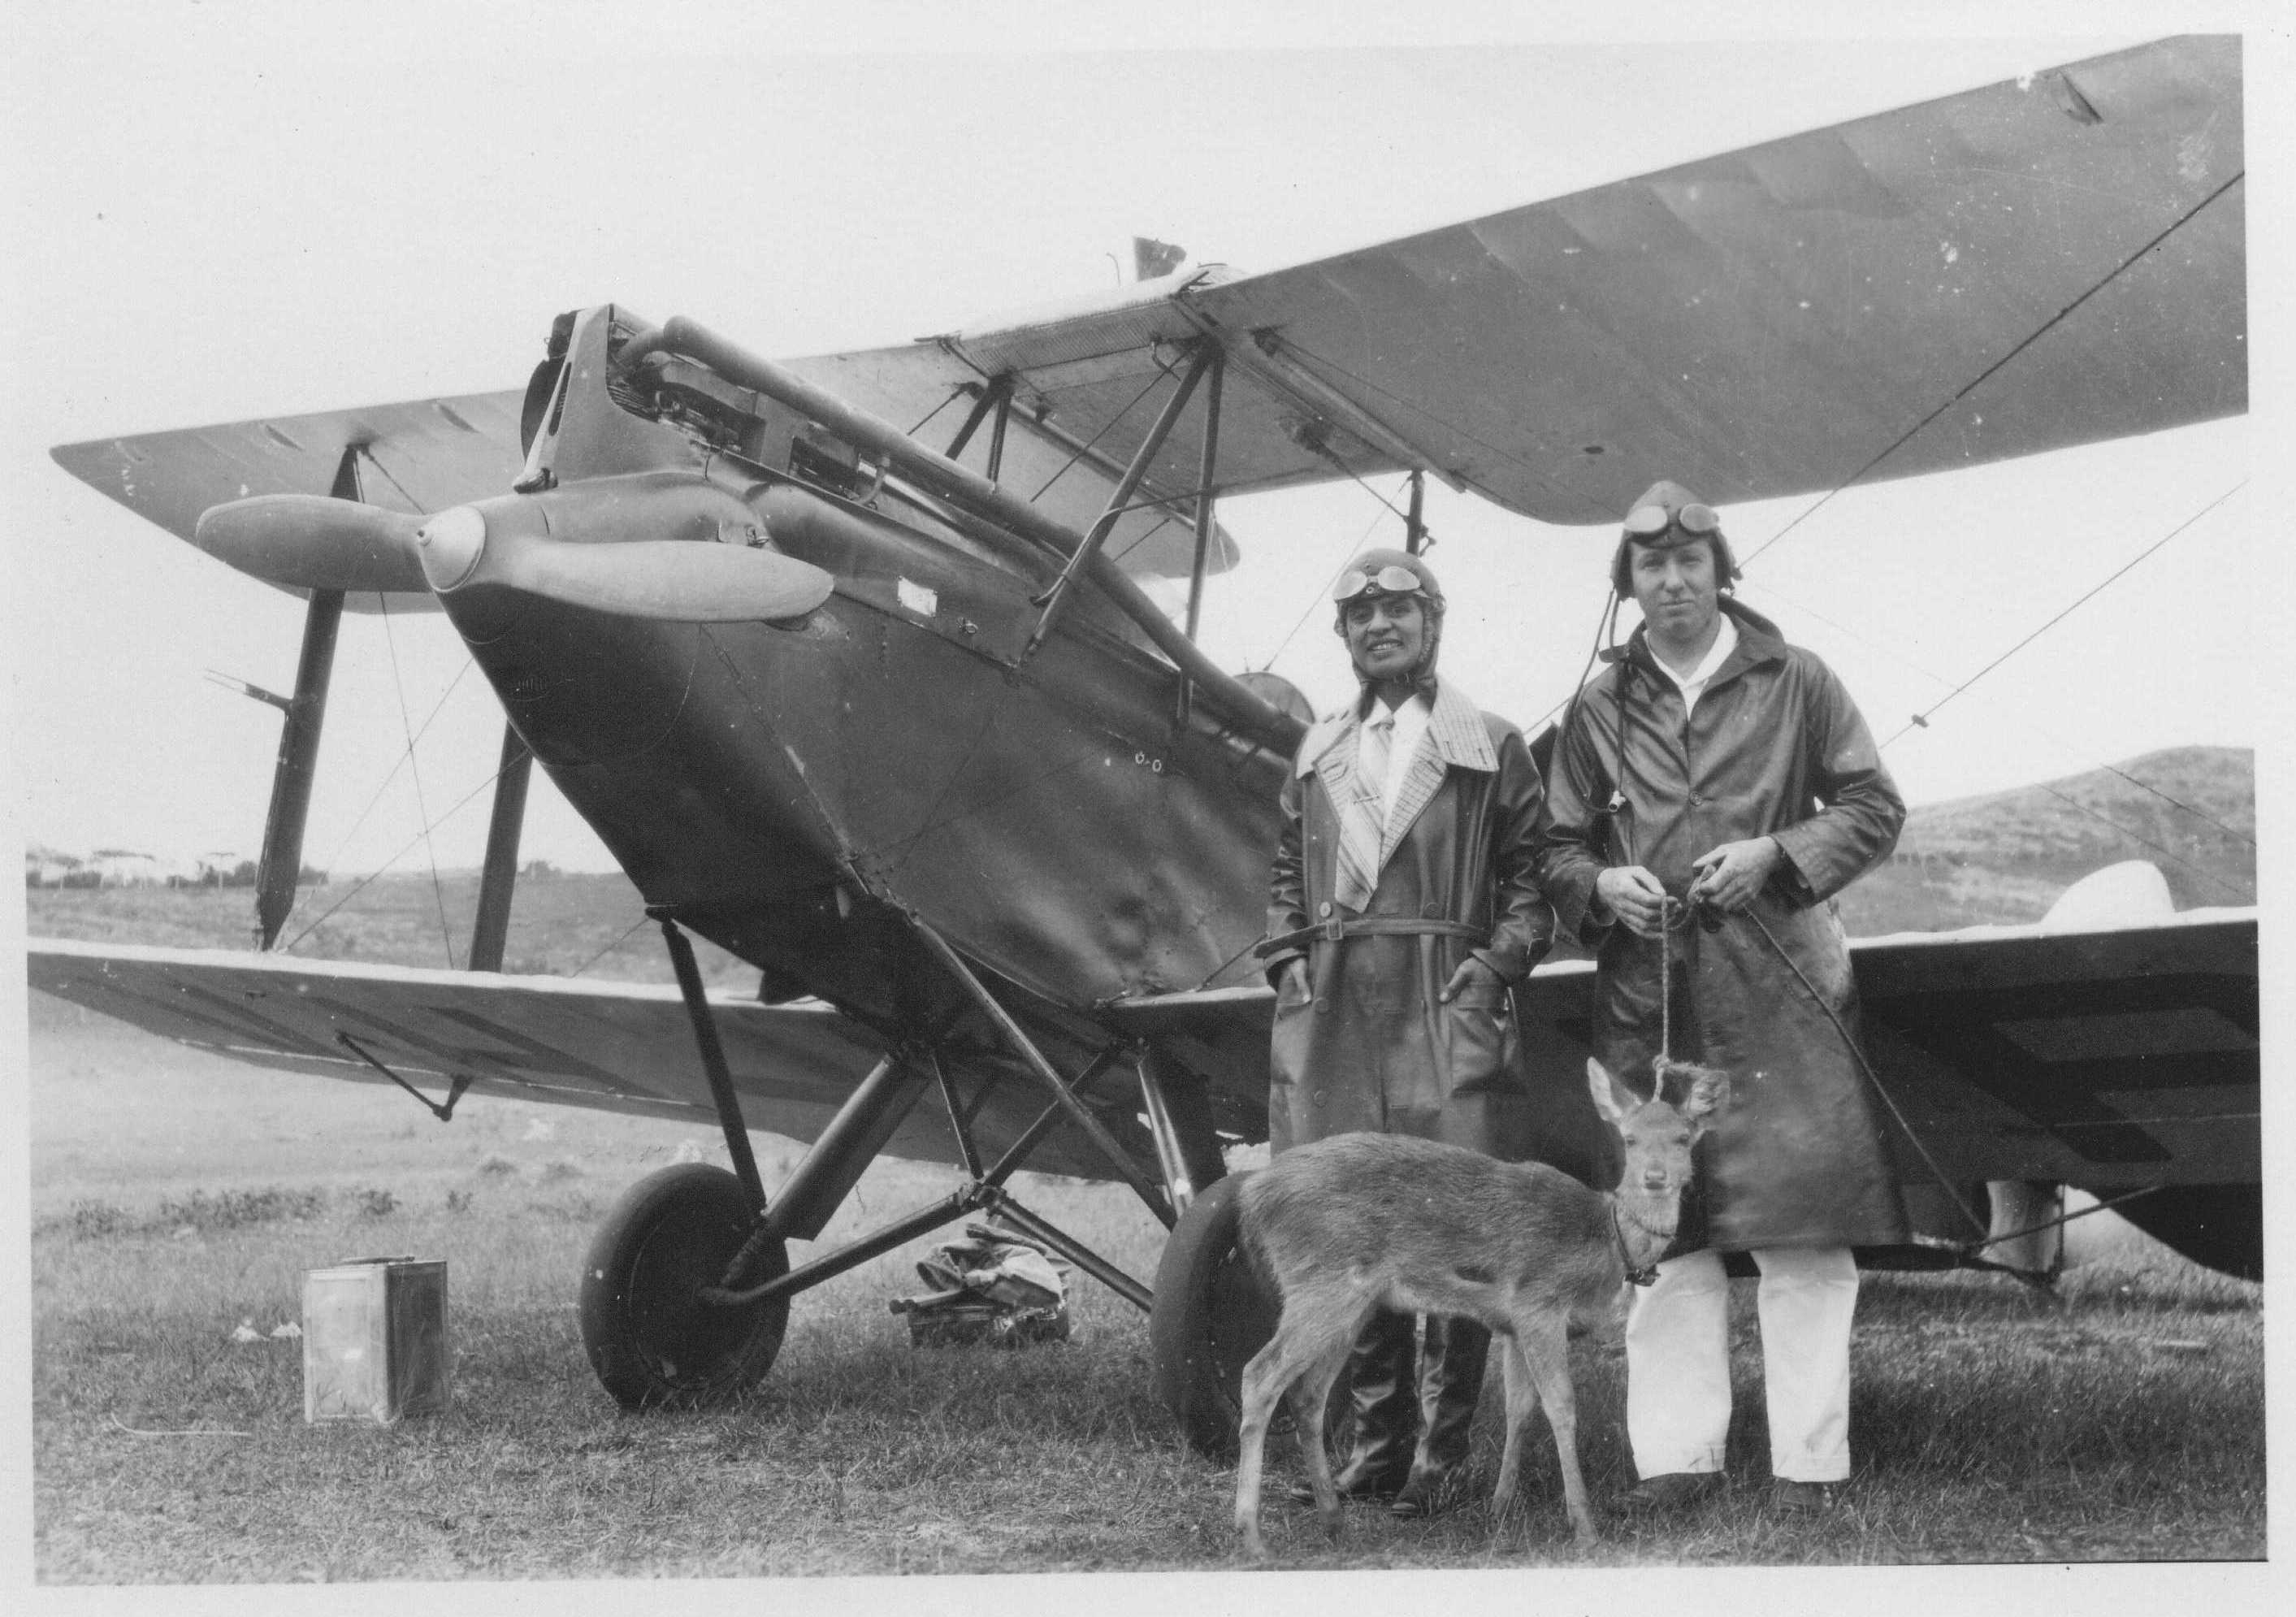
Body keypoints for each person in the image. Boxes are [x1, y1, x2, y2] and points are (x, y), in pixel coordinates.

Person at [1535, 481, 1908, 1514]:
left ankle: (1811, 1468)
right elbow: (1556, 848)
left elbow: (1876, 806)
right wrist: (1601, 885)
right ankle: (1676, 1465)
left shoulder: (1800, 681)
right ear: (1630, 586)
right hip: (1649, 997)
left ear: (1720, 571)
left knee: (1805, 1231)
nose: (1672, 580)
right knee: (1666, 1235)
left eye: (1689, 562)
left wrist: (1780, 851)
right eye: (1650, 567)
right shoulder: (1597, 707)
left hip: (1784, 994)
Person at [1260, 546, 1556, 1519]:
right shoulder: (1315, 752)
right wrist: (1285, 956)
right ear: (1343, 635)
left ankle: (1442, 1449)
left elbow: (1533, 880)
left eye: (1399, 607)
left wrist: (1494, 966)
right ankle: (1376, 1450)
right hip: (1337, 999)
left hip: (1445, 993)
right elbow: (1278, 872)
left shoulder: (1491, 744)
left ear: (1433, 622)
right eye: (1361, 614)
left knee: (1461, 1222)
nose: (1380, 624)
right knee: (1352, 1216)